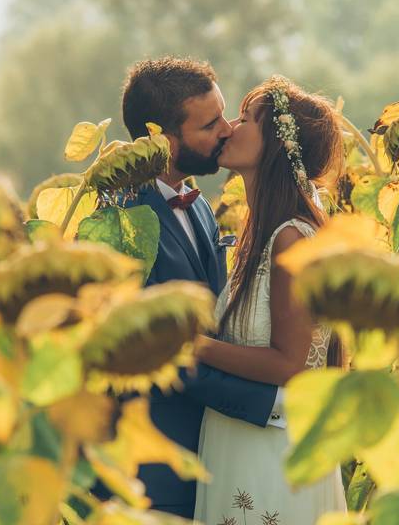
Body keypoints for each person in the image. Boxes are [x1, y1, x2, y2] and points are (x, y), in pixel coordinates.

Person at [117, 57, 287, 519]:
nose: (227, 131)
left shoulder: (198, 208)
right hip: (152, 476)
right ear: (161, 137)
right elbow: (158, 354)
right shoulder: (121, 221)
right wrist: (272, 405)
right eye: (209, 125)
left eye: (225, 115)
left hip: (214, 463)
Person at [192, 75, 347, 524]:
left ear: (277, 146)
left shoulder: (291, 240)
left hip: (270, 456)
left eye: (245, 119)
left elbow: (290, 363)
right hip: (239, 442)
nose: (229, 128)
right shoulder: (260, 235)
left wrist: (193, 346)